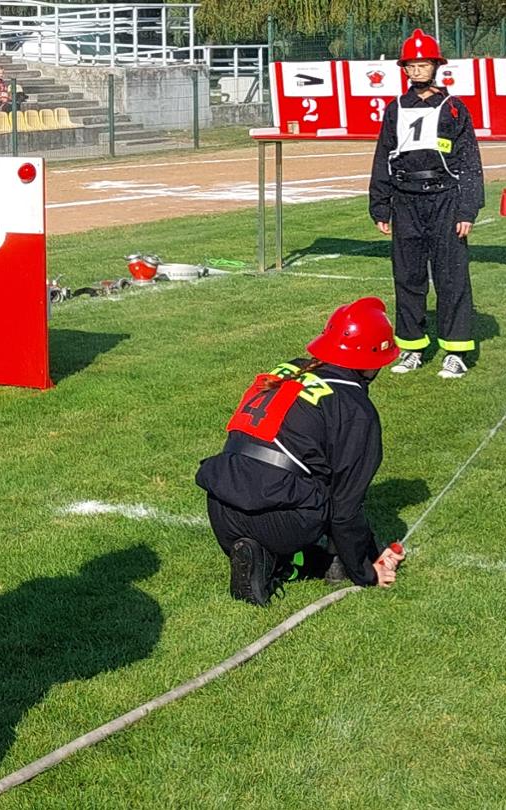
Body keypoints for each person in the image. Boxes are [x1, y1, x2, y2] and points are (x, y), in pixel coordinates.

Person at [195, 297, 408, 607]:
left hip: (221, 505)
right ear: (372, 360)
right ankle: (290, 561)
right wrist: (366, 570)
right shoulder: (354, 409)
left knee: (306, 473)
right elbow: (345, 506)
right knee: (330, 494)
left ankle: (264, 555)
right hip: (278, 519)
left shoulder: (292, 368)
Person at [368, 29, 484, 379]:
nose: (417, 70)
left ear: (436, 66)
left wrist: (467, 208)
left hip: (445, 198)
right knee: (408, 276)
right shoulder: (395, 108)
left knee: (451, 276)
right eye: (411, 65)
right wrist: (380, 204)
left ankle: (456, 351)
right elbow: (383, 156)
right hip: (405, 200)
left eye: (423, 63)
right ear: (404, 69)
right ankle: (412, 347)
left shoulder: (454, 108)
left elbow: (469, 160)